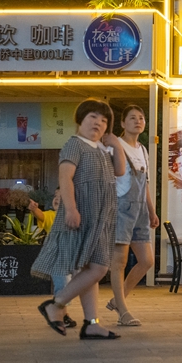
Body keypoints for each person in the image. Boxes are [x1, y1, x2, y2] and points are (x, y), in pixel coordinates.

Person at [31, 98, 126, 339]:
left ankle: (91, 323)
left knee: (90, 269)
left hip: (99, 219)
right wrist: (71, 209)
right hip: (83, 215)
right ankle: (56, 304)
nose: (98, 123)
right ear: (80, 119)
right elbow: (65, 177)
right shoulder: (75, 144)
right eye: (93, 117)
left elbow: (120, 170)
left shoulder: (101, 149)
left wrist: (116, 144)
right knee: (99, 268)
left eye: (104, 121)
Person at [106, 105, 160, 327]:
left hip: (139, 211)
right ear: (122, 123)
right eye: (132, 118)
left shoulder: (143, 150)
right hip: (120, 209)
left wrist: (151, 211)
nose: (138, 121)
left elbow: (144, 184)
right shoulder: (115, 146)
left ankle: (118, 300)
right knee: (119, 262)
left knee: (146, 260)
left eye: (141, 118)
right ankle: (123, 311)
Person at [27, 188, 76, 328]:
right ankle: (60, 315)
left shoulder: (73, 217)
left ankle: (62, 314)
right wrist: (34, 209)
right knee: (62, 286)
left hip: (70, 259)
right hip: (57, 257)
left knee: (66, 287)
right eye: (55, 196)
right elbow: (41, 215)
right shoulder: (51, 215)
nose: (57, 198)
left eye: (62, 196)